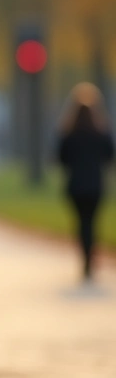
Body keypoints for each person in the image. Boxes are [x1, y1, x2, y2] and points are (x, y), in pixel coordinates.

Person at [55, 83, 114, 283]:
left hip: (76, 186)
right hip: (95, 185)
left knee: (81, 223)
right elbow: (109, 156)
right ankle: (90, 257)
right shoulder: (100, 133)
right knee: (92, 222)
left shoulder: (69, 134)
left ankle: (85, 257)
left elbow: (60, 159)